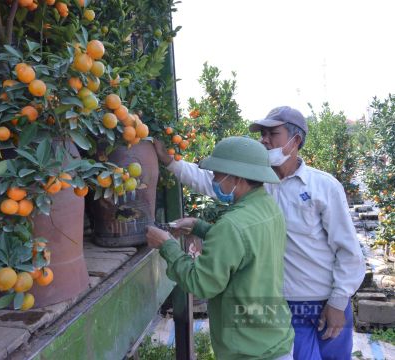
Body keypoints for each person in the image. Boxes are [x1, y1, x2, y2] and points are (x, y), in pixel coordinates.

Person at [154, 106, 365, 359]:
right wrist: (170, 162)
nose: (263, 140)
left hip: (323, 300)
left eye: (271, 133)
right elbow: (210, 180)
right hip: (282, 303)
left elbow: (348, 250)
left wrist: (338, 302)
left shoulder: (323, 187)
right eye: (261, 134)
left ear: (295, 140)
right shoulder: (257, 184)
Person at [147, 136, 294, 359]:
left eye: (217, 174)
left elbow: (200, 284)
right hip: (273, 338)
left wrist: (167, 246)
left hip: (248, 350)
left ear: (237, 178)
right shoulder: (268, 208)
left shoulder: (232, 226)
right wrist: (200, 226)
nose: (214, 180)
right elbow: (246, 245)